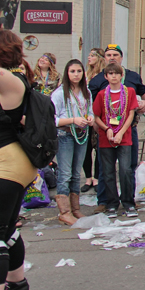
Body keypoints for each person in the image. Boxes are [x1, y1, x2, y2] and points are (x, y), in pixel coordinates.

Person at [0, 30, 38, 290]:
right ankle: (16, 284)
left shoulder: (8, 79)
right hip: (13, 163)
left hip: (8, 163)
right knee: (8, 228)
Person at [88, 44, 145, 214]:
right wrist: (100, 127)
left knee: (127, 167)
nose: (112, 57)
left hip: (127, 131)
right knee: (105, 169)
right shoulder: (97, 82)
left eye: (115, 54)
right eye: (108, 54)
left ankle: (128, 200)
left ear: (121, 58)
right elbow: (92, 108)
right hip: (104, 132)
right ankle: (107, 201)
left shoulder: (132, 79)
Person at [92, 63, 138, 218]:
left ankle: (128, 203)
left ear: (121, 76)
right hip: (107, 138)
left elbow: (131, 114)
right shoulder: (101, 95)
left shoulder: (129, 92)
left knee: (125, 170)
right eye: (110, 73)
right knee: (108, 171)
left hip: (124, 137)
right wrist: (107, 129)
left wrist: (121, 132)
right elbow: (96, 116)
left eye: (116, 73)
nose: (113, 76)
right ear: (106, 76)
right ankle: (112, 204)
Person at [51, 60, 94, 225]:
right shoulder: (60, 93)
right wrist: (72, 120)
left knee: (77, 173)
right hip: (65, 135)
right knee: (65, 173)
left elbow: (90, 111)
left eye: (79, 71)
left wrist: (90, 118)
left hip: (81, 134)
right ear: (67, 74)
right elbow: (52, 119)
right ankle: (65, 211)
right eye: (72, 71)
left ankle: (75, 208)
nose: (76, 74)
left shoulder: (86, 92)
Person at [81, 48, 105, 193]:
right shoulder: (85, 75)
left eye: (92, 56)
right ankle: (88, 178)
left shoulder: (103, 76)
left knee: (99, 148)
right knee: (86, 148)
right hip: (85, 116)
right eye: (88, 55)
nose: (89, 58)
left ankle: (96, 178)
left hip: (99, 116)